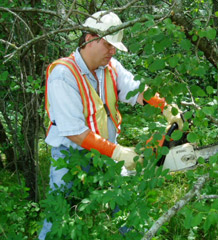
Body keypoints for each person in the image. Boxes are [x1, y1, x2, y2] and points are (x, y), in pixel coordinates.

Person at [39, 11, 183, 239]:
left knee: (126, 208)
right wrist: (118, 152)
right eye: (108, 44)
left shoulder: (111, 67)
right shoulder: (63, 75)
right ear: (89, 39)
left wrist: (166, 106)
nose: (113, 50)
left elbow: (136, 89)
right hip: (70, 158)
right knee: (58, 218)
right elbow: (75, 133)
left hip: (107, 155)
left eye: (114, 46)